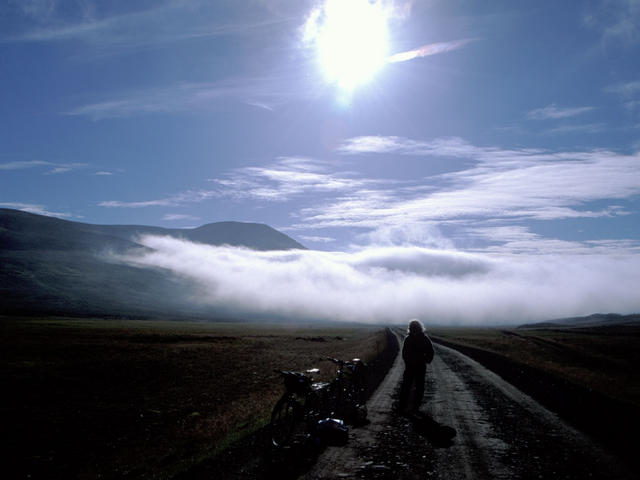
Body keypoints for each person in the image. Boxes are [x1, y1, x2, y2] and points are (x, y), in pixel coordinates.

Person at [398, 318, 435, 414]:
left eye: (414, 327)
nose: (413, 329)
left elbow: (404, 353)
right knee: (415, 386)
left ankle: (408, 406)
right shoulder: (423, 338)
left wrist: (426, 360)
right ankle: (409, 406)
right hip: (416, 366)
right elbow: (430, 352)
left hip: (415, 366)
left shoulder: (410, 338)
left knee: (412, 386)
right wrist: (427, 360)